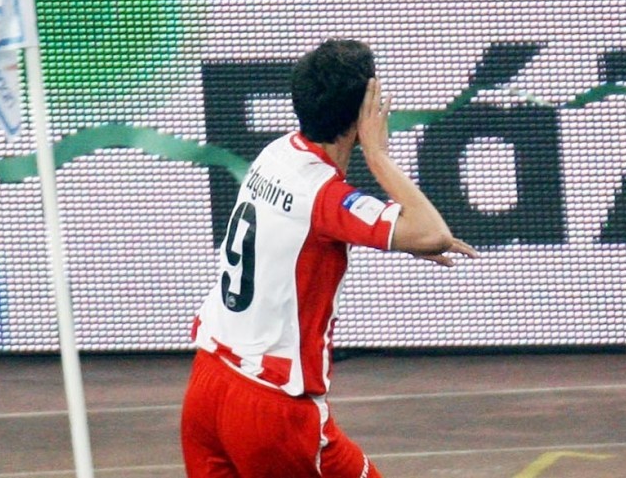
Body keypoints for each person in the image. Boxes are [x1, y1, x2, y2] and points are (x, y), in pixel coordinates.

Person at [181, 39, 478, 478]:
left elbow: (318, 224)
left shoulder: (275, 154)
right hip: (271, 407)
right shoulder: (323, 195)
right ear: (363, 114)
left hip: (208, 384)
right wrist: (377, 153)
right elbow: (433, 233)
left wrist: (404, 238)